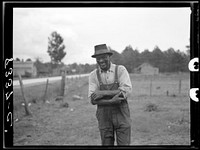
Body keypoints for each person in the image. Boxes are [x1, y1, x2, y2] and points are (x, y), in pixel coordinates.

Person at [88, 44, 132, 146]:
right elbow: (93, 100)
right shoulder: (93, 75)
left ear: (109, 57)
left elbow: (126, 90)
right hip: (104, 117)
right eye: (98, 58)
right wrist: (111, 101)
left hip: (121, 115)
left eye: (103, 57)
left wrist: (101, 93)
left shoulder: (120, 70)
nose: (101, 61)